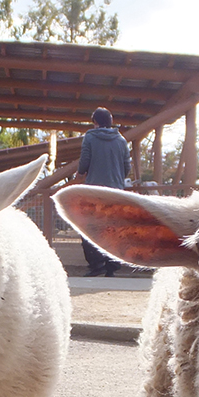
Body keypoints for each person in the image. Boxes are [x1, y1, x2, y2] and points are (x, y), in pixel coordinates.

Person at [76, 107, 131, 276]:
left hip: (94, 190)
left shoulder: (90, 137)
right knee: (113, 229)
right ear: (111, 121)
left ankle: (96, 264)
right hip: (116, 192)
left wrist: (81, 172)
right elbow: (126, 167)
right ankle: (111, 267)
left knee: (89, 226)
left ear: (95, 122)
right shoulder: (121, 140)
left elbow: (85, 160)